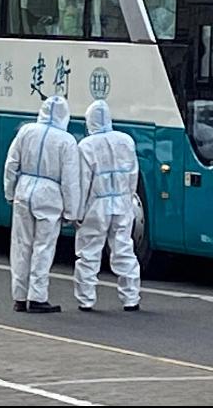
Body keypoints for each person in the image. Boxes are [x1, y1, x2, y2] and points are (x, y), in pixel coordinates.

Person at [3, 95, 81, 314]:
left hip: (24, 190)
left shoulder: (27, 131)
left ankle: (19, 297)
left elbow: (11, 164)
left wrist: (10, 191)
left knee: (20, 245)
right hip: (49, 196)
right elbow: (70, 181)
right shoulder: (66, 141)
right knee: (43, 247)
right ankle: (37, 297)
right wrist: (71, 212)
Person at [73, 100, 141, 312]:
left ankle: (86, 299)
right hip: (121, 202)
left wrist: (78, 210)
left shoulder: (86, 146)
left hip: (97, 205)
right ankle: (131, 298)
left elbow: (83, 181)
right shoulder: (126, 141)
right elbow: (133, 174)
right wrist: (129, 199)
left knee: (89, 252)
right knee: (124, 249)